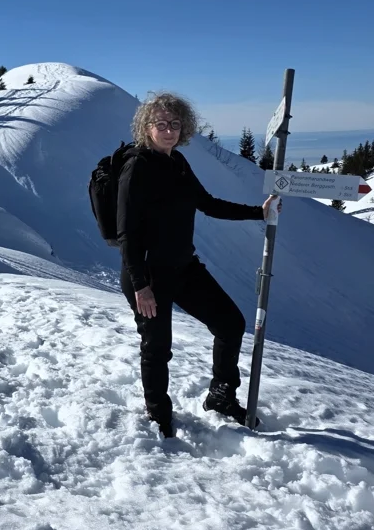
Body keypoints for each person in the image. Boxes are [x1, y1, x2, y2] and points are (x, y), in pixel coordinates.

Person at [116, 91, 281, 437]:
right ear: (146, 127)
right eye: (161, 124)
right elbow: (127, 232)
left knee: (230, 323)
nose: (169, 130)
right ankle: (158, 415)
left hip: (183, 267)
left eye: (175, 124)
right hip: (147, 274)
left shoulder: (177, 163)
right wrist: (140, 285)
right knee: (157, 347)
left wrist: (258, 213)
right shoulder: (138, 168)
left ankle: (221, 395)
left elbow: (207, 203)